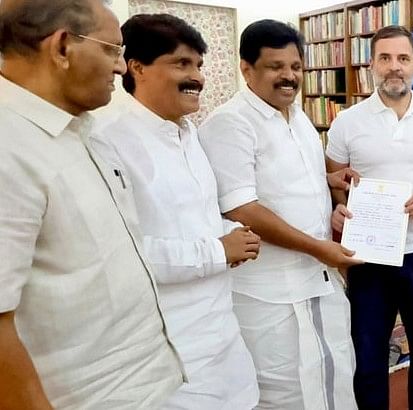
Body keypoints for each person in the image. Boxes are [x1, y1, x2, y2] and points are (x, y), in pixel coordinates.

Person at [0, 1, 183, 409]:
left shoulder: (85, 130)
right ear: (63, 47)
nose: (121, 68)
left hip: (146, 386)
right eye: (112, 50)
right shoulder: (9, 147)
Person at [90, 14, 262, 409]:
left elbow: (190, 219)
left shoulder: (188, 133)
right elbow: (119, 254)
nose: (197, 77)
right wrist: (219, 250)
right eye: (181, 64)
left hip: (221, 333)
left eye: (199, 65)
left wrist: (233, 231)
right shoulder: (106, 139)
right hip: (167, 350)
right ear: (136, 67)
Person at [198, 19, 360, 410]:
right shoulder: (230, 124)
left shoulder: (298, 115)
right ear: (247, 69)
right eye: (275, 66)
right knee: (283, 392)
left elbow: (295, 174)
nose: (289, 76)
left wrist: (330, 178)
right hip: (269, 291)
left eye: (296, 67)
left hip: (317, 279)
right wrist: (319, 248)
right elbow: (243, 207)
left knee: (334, 376)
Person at [325, 25, 413, 410]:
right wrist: (337, 205)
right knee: (367, 356)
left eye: (403, 58)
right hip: (367, 257)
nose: (394, 67)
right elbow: (334, 180)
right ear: (372, 65)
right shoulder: (347, 122)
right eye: (385, 58)